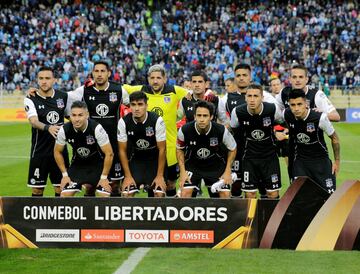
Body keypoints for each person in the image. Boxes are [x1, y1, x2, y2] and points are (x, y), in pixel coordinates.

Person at [123, 64, 189, 197]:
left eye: (158, 77)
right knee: (153, 185)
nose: (155, 81)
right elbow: (123, 88)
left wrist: (180, 113)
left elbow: (190, 94)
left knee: (170, 183)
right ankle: (152, 214)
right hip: (151, 149)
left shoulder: (174, 91)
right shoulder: (142, 89)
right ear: (148, 79)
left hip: (170, 147)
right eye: (152, 78)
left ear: (165, 79)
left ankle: (170, 211)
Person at [230, 84, 282, 199]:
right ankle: (251, 218)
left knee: (272, 194)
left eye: (256, 96)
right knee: (250, 194)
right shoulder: (238, 112)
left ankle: (270, 217)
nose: (252, 99)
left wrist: (279, 133)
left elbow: (282, 122)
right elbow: (235, 131)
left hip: (270, 158)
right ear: (245, 97)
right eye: (249, 96)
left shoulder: (272, 109)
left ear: (262, 97)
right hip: (249, 158)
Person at [177, 100, 237, 198]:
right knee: (184, 194)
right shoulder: (184, 130)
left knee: (225, 195)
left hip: (215, 165)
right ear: (194, 116)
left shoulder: (221, 130)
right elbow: (179, 149)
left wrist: (227, 171)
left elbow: (233, 148)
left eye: (205, 116)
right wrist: (182, 172)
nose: (201, 119)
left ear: (211, 117)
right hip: (193, 165)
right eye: (199, 115)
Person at [24, 66, 69, 197]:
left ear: (54, 80)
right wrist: (48, 127)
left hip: (60, 151)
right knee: (37, 190)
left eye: (47, 78)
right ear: (37, 80)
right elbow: (33, 121)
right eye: (41, 78)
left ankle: (61, 218)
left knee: (61, 190)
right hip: (40, 152)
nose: (44, 81)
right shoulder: (30, 98)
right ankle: (36, 218)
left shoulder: (63, 97)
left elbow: (71, 116)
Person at [284, 89, 340, 193]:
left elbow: (335, 138)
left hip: (321, 163)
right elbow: (274, 120)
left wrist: (337, 161)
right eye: (293, 105)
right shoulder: (286, 114)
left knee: (328, 199)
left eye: (299, 104)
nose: (296, 108)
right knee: (300, 199)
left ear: (306, 103)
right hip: (301, 163)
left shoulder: (320, 118)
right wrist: (277, 131)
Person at [54, 101, 113, 197]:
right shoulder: (64, 129)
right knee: (64, 196)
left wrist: (104, 177)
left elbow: (109, 153)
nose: (76, 119)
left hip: (97, 165)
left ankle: (90, 210)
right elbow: (57, 152)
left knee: (104, 196)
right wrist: (65, 175)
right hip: (78, 166)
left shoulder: (96, 128)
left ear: (87, 115)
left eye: (80, 115)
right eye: (74, 115)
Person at [117, 91, 166, 197]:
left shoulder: (157, 120)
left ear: (146, 106)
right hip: (136, 160)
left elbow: (162, 149)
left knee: (159, 194)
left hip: (154, 161)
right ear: (129, 106)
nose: (136, 108)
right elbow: (122, 150)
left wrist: (160, 176)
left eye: (140, 104)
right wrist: (127, 176)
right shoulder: (123, 122)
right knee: (126, 194)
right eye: (133, 105)